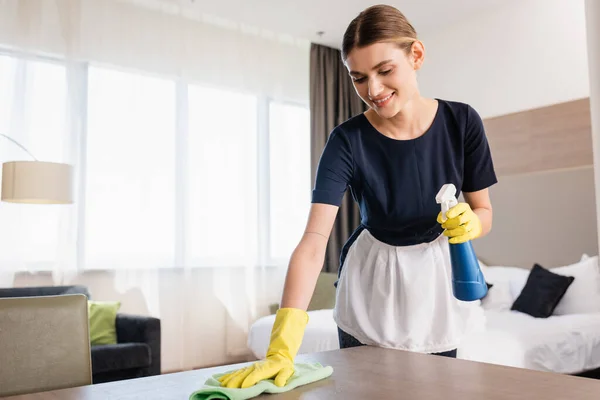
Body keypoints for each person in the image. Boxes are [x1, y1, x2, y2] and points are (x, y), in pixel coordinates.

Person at [218, 4, 497, 389]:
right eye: (359, 78)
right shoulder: (347, 140)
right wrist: (281, 346)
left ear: (415, 55)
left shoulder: (462, 122)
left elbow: (483, 210)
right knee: (363, 392)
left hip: (434, 282)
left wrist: (471, 224)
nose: (374, 91)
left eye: (385, 71)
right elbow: (314, 242)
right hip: (370, 280)